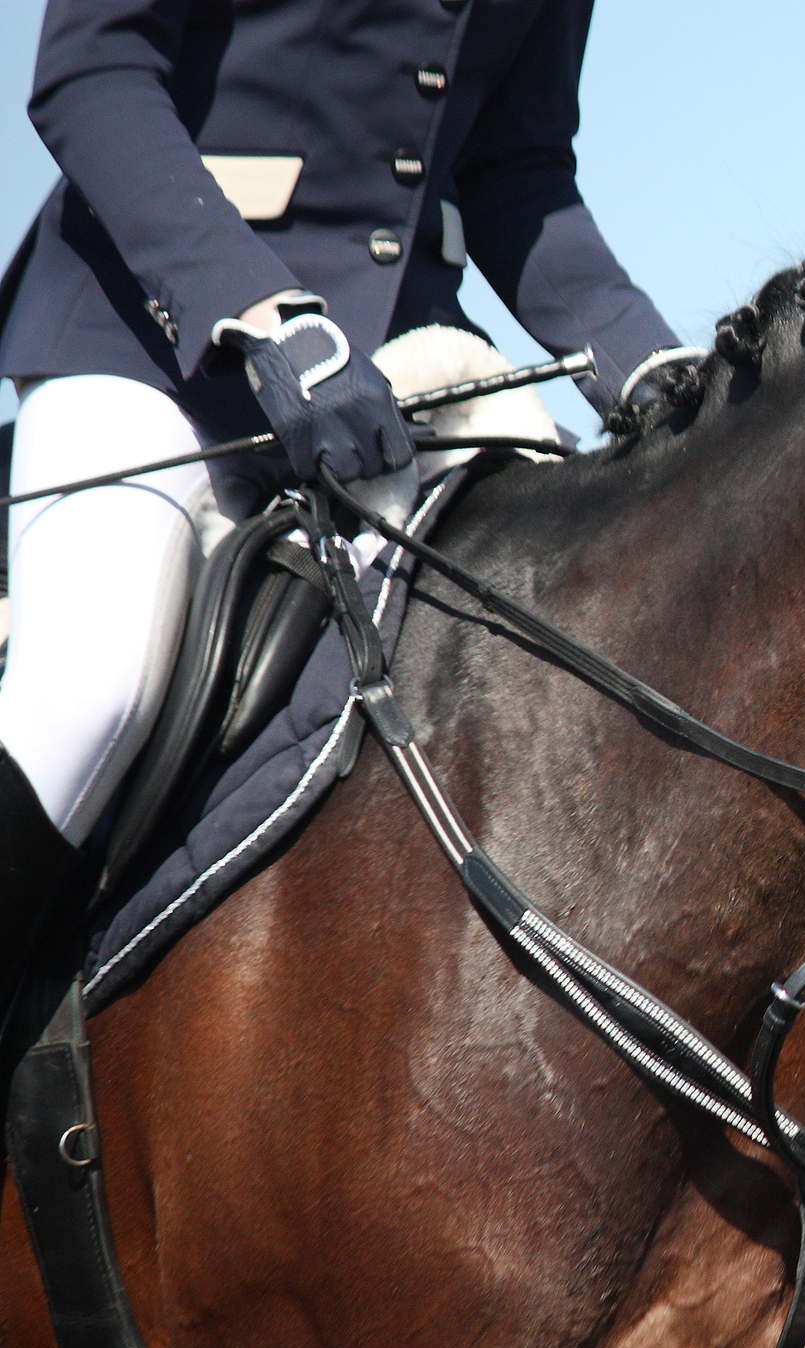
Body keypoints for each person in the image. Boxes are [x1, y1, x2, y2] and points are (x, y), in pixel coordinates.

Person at [0, 0, 701, 1000]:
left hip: (389, 377)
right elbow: (91, 72)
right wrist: (260, 311)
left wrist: (647, 361)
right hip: (153, 338)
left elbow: (518, 164)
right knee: (91, 693)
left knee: (557, 658)